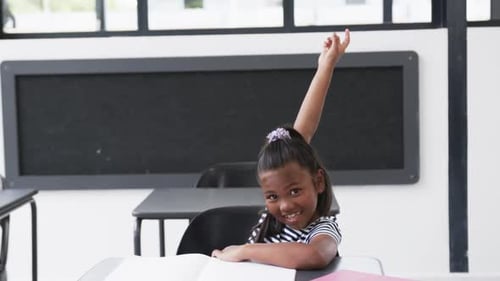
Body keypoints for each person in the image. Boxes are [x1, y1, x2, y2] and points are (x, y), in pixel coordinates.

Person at [211, 29, 351, 269]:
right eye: (273, 197)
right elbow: (302, 132)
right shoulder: (274, 222)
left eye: (295, 191)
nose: (285, 205)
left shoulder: (323, 230)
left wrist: (245, 250)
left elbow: (315, 256)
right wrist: (323, 65)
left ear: (318, 182)